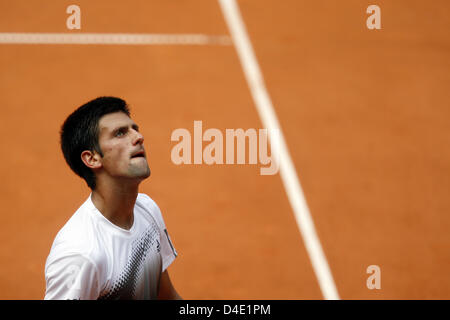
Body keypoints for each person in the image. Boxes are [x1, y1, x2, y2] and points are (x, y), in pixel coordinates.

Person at [44, 96, 181, 300]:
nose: (138, 137)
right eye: (120, 133)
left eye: (134, 128)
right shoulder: (81, 254)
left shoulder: (147, 210)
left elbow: (166, 295)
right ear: (92, 158)